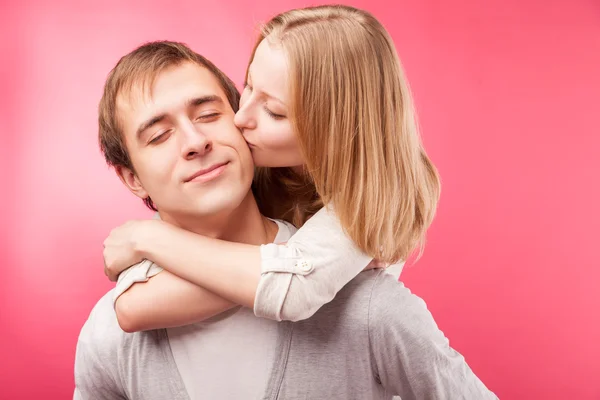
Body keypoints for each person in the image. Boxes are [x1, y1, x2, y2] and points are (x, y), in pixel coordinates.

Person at [75, 39, 496, 400]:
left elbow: (295, 283)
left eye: (208, 114)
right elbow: (127, 313)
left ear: (243, 126)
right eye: (159, 135)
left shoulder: (364, 302)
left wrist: (145, 238)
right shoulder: (108, 337)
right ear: (133, 179)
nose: (195, 141)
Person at [102, 4, 440, 332]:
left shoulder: (378, 196)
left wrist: (147, 237)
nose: (240, 117)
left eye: (275, 112)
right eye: (248, 86)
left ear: (334, 130)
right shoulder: (250, 164)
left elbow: (292, 289)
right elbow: (132, 307)